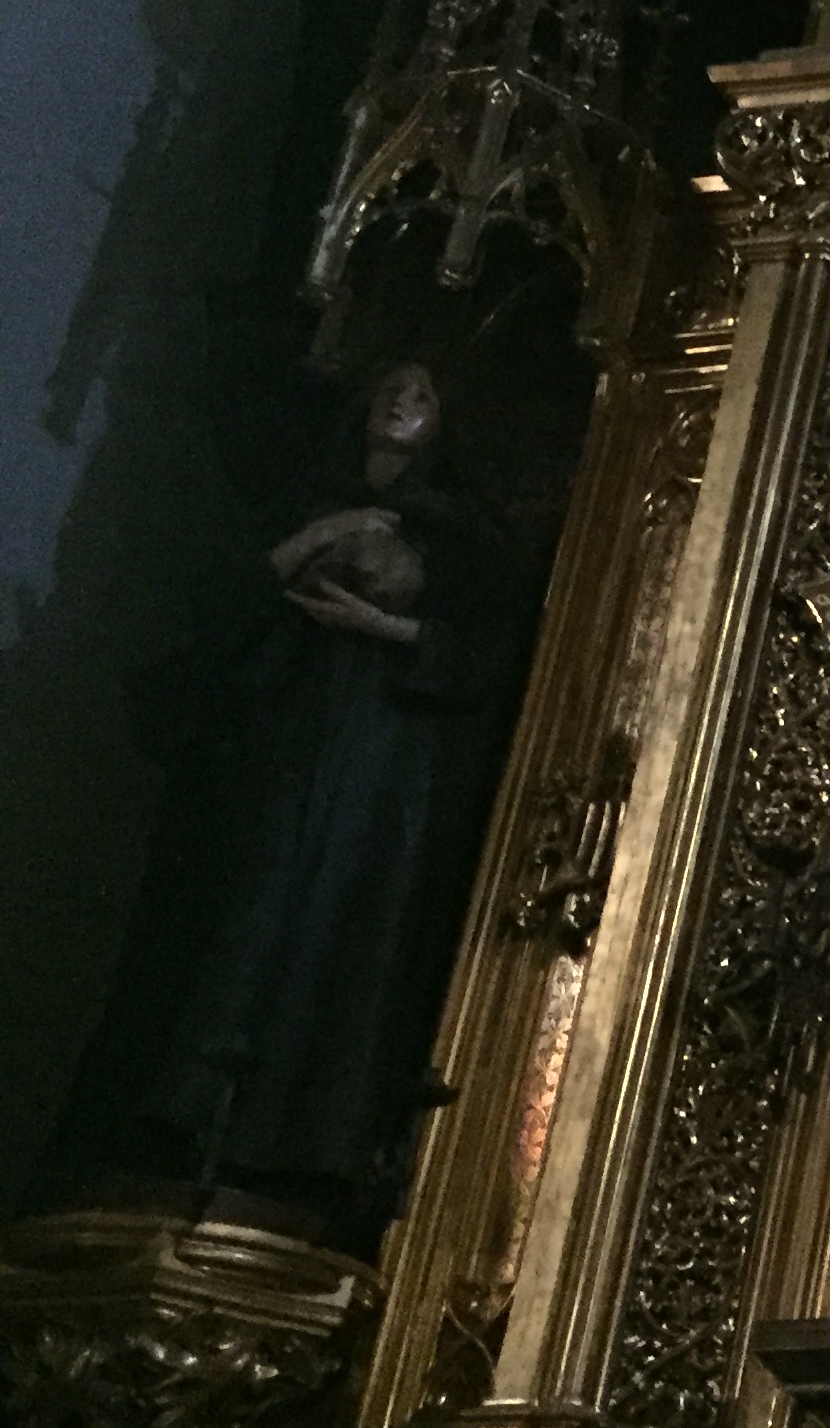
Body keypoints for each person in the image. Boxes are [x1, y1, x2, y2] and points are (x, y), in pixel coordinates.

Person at [108, 361, 530, 1249]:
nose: (400, 405)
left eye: (422, 396)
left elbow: (493, 656)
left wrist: (387, 631)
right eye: (390, 389)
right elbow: (223, 612)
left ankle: (296, 1147)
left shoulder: (462, 533)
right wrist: (322, 535)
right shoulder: (308, 501)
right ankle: (187, 1120)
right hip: (282, 740)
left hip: (381, 759)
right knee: (239, 915)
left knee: (337, 930)